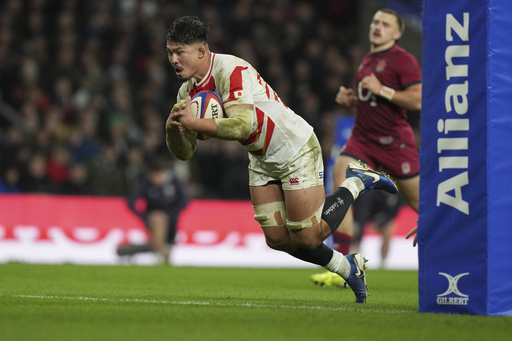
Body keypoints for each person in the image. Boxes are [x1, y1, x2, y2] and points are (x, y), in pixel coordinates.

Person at [163, 16, 399, 303]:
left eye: (179, 52)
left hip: (293, 147)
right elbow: (185, 152)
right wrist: (173, 129)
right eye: (170, 53)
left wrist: (194, 124)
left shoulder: (230, 70)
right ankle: (347, 267)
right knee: (276, 239)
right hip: (262, 158)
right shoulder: (187, 92)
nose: (173, 59)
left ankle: (357, 182)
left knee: (309, 237)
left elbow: (242, 125)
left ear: (200, 51)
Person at [311, 8, 421, 286]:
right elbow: (372, 99)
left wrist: (381, 90)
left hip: (394, 141)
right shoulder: (368, 60)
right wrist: (353, 100)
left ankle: (458, 244)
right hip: (363, 138)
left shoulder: (403, 60)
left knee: (421, 203)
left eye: (385, 24)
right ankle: (344, 267)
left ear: (396, 33)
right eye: (375, 22)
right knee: (340, 182)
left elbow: (417, 99)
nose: (378, 27)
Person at [117, 157, 190, 264]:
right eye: (153, 175)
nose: (156, 178)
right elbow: (131, 202)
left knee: (160, 220)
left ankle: (152, 250)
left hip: (172, 222)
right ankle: (162, 255)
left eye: (158, 175)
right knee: (158, 219)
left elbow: (184, 201)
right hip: (152, 219)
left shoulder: (174, 182)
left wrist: (169, 216)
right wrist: (145, 216)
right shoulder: (144, 182)